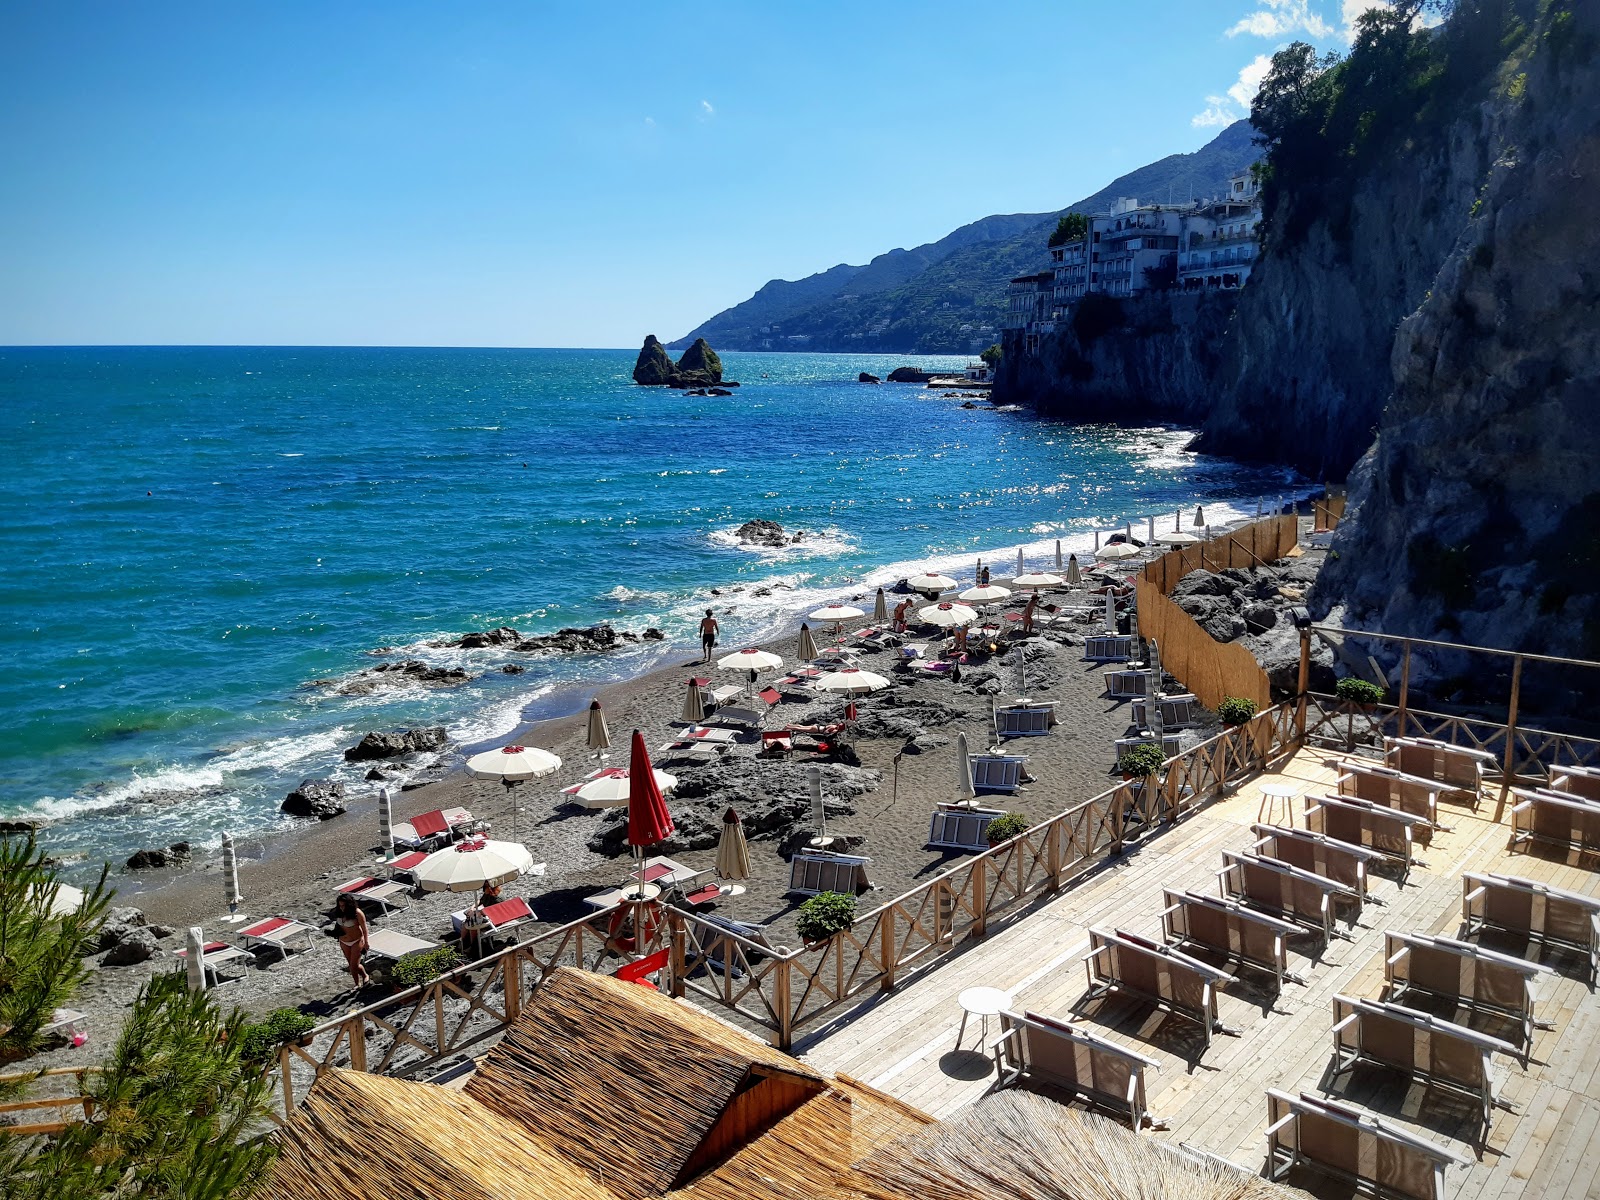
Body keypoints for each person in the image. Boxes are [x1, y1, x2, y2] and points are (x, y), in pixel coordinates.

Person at [334, 892, 369, 987]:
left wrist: (366, 942)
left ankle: (361, 980)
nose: (341, 907)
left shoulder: (357, 913)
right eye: (340, 905)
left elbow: (365, 928)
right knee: (352, 965)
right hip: (344, 941)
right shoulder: (339, 912)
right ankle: (361, 979)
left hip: (356, 941)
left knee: (353, 966)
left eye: (344, 905)